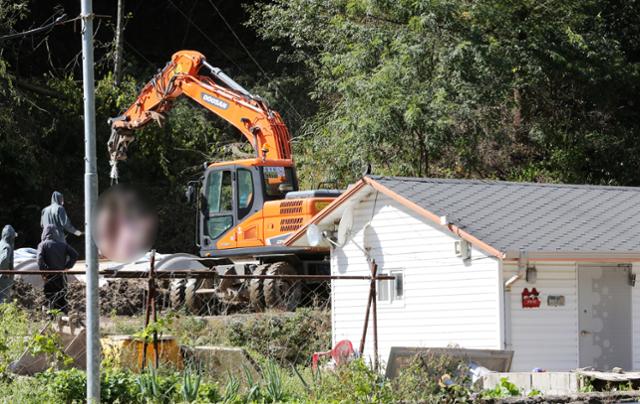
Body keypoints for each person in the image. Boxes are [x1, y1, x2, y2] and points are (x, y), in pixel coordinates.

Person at [37, 224, 78, 314]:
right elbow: (74, 255)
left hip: (49, 277)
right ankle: (64, 320)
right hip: (61, 276)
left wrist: (44, 272)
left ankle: (51, 320)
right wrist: (67, 267)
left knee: (50, 298)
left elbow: (39, 260)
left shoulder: (42, 245)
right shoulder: (63, 245)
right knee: (62, 298)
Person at [0, 225, 17, 303]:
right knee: (3, 300)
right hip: (3, 279)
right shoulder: (7, 247)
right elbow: (4, 260)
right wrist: (5, 272)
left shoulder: (1, 244)